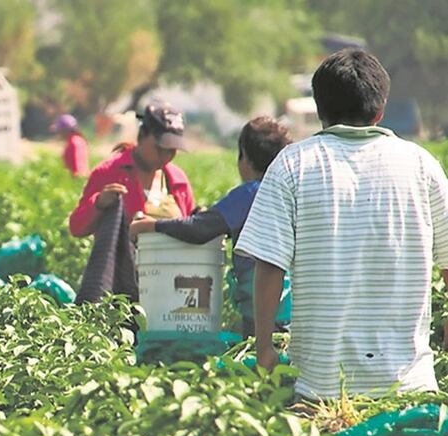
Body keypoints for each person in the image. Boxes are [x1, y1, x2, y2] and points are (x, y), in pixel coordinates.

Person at [235, 49, 448, 399]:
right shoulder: (422, 165)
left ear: (320, 110)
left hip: (321, 391)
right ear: (381, 109)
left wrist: (264, 348)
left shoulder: (293, 165)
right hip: (409, 388)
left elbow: (269, 264)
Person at [130, 116, 293, 337]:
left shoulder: (251, 193)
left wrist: (152, 226)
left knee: (263, 362)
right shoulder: (291, 191)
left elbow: (200, 229)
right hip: (298, 308)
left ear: (244, 157)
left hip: (265, 309)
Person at [68, 102, 196, 238]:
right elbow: (77, 228)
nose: (165, 157)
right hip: (124, 259)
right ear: (142, 136)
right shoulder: (109, 172)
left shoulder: (177, 179)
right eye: (159, 149)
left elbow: (189, 229)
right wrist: (99, 203)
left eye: (171, 151)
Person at [51, 113, 89, 178]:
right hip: (82, 178)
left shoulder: (73, 142)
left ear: (65, 130)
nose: (58, 133)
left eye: (59, 130)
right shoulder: (80, 140)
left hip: (76, 179)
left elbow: (78, 167)